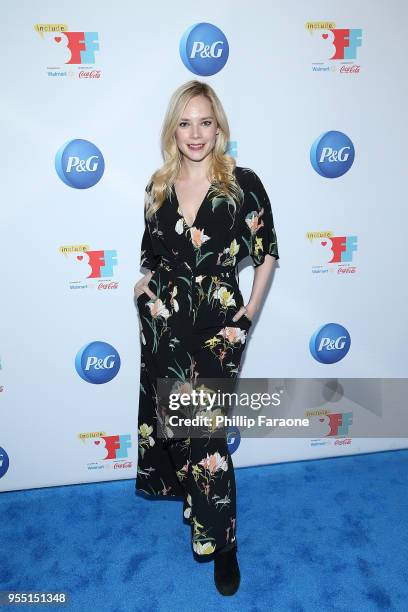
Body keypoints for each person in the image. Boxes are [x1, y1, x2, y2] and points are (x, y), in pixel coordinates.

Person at [134, 80, 279, 595]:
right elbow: (150, 256)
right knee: (179, 430)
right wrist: (145, 287)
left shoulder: (242, 185)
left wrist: (250, 313)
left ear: (219, 127)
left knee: (210, 439)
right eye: (185, 122)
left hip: (219, 328)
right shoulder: (157, 187)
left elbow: (266, 253)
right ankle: (197, 508)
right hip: (168, 326)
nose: (195, 134)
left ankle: (225, 547)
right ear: (173, 129)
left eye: (205, 122)